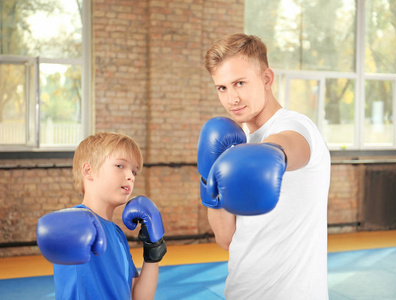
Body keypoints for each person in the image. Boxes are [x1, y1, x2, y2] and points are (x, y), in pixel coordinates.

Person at [198, 33, 331, 299]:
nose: (231, 98)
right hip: (241, 291)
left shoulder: (296, 127)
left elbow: (288, 146)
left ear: (267, 79)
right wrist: (206, 175)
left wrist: (273, 153)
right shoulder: (237, 146)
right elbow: (225, 238)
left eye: (239, 83)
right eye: (222, 87)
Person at [36, 132, 167, 300]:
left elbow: (139, 297)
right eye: (120, 166)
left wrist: (153, 252)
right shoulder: (76, 224)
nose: (130, 177)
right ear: (88, 170)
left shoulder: (117, 234)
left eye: (134, 172)